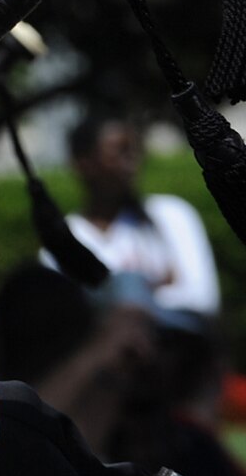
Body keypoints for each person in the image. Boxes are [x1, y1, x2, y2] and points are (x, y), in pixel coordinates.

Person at [54, 111, 221, 320]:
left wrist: (115, 304)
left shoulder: (172, 214)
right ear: (84, 164)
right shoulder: (63, 239)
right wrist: (156, 286)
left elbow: (201, 298)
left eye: (134, 152)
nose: (132, 164)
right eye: (119, 153)